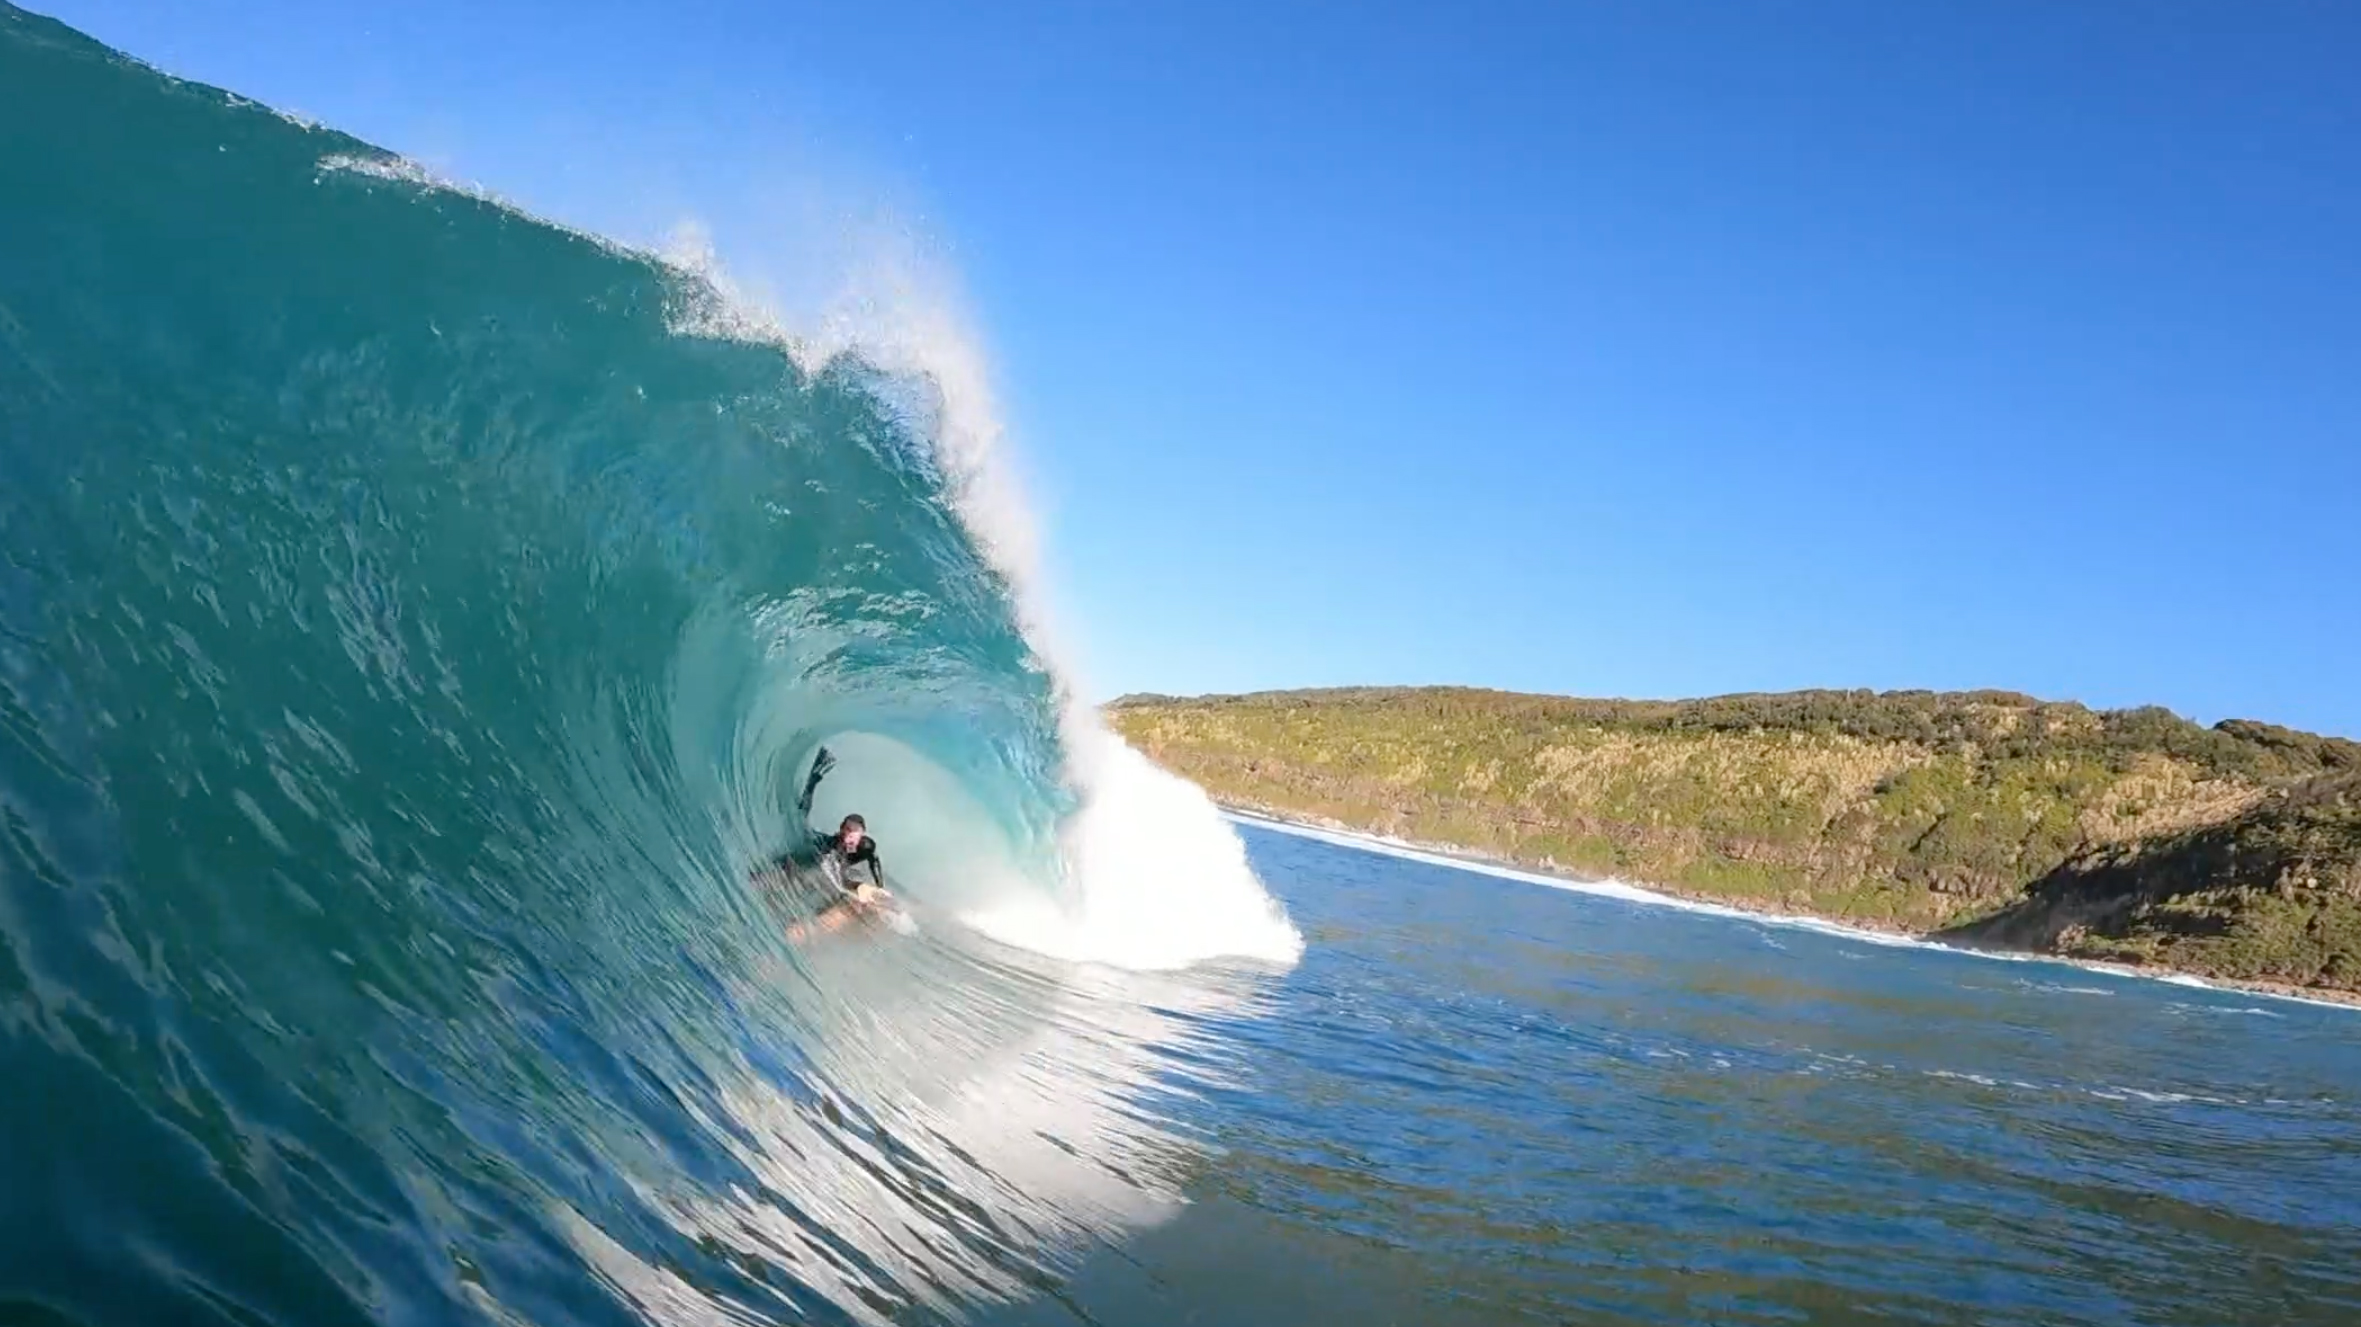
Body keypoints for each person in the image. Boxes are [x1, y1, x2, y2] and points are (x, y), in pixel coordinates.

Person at [778, 748, 892, 940]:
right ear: (841, 829)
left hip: (839, 862)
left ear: (862, 834)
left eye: (854, 833)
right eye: (847, 830)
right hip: (820, 846)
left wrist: (880, 885)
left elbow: (875, 863)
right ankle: (814, 779)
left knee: (843, 879)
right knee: (801, 820)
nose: (850, 836)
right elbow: (827, 864)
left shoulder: (866, 846)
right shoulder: (833, 843)